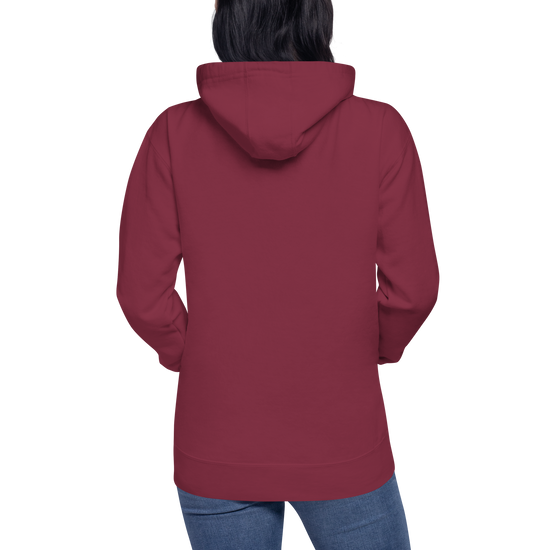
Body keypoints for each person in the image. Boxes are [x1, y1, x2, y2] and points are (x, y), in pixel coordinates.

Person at [115, 1, 441, 548]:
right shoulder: (382, 126)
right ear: (317, 15)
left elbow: (140, 296)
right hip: (343, 434)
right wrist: (370, 352)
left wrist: (191, 360)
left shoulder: (170, 130)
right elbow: (414, 290)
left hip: (215, 434)